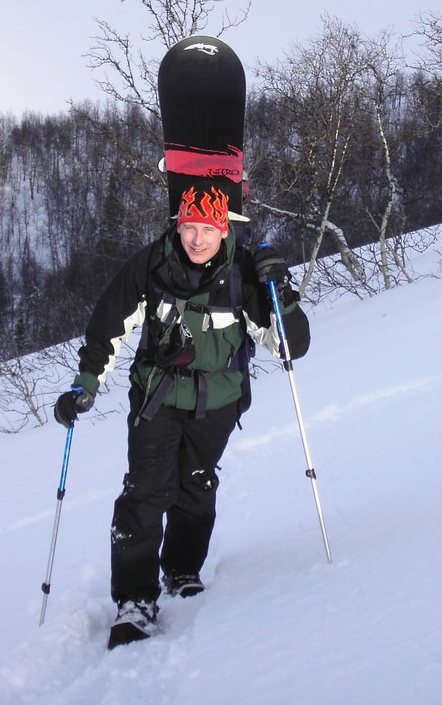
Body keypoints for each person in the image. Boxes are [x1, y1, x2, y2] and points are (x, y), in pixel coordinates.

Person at [53, 179, 310, 649]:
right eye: (189, 226)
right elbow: (107, 327)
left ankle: (182, 570)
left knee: (196, 482)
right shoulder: (151, 264)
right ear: (178, 224)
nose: (197, 238)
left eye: (208, 229)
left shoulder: (245, 272)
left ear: (225, 228)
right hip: (158, 396)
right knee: (146, 490)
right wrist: (85, 385)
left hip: (218, 400)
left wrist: (281, 290)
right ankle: (135, 599)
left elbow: (292, 345)